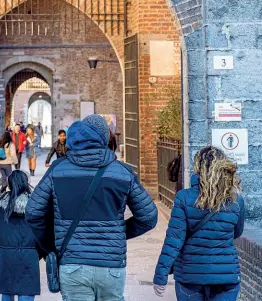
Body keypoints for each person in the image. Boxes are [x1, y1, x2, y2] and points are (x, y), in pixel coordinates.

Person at [26, 114, 158, 301]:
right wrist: (118, 232)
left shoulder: (58, 170)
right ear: (104, 139)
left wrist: (50, 243)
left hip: (73, 263)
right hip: (111, 265)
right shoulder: (121, 172)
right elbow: (148, 217)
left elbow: (32, 212)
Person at [153, 146, 245, 301]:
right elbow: (237, 232)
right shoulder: (236, 201)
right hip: (225, 277)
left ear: (197, 167)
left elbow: (174, 241)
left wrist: (160, 275)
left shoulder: (184, 197)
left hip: (190, 276)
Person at [0, 170, 43, 301]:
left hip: (7, 258)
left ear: (10, 184)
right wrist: (35, 253)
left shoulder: (0, 208)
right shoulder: (36, 208)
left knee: (7, 294)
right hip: (29, 259)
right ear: (26, 183)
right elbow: (43, 236)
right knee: (26, 294)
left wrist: (4, 251)